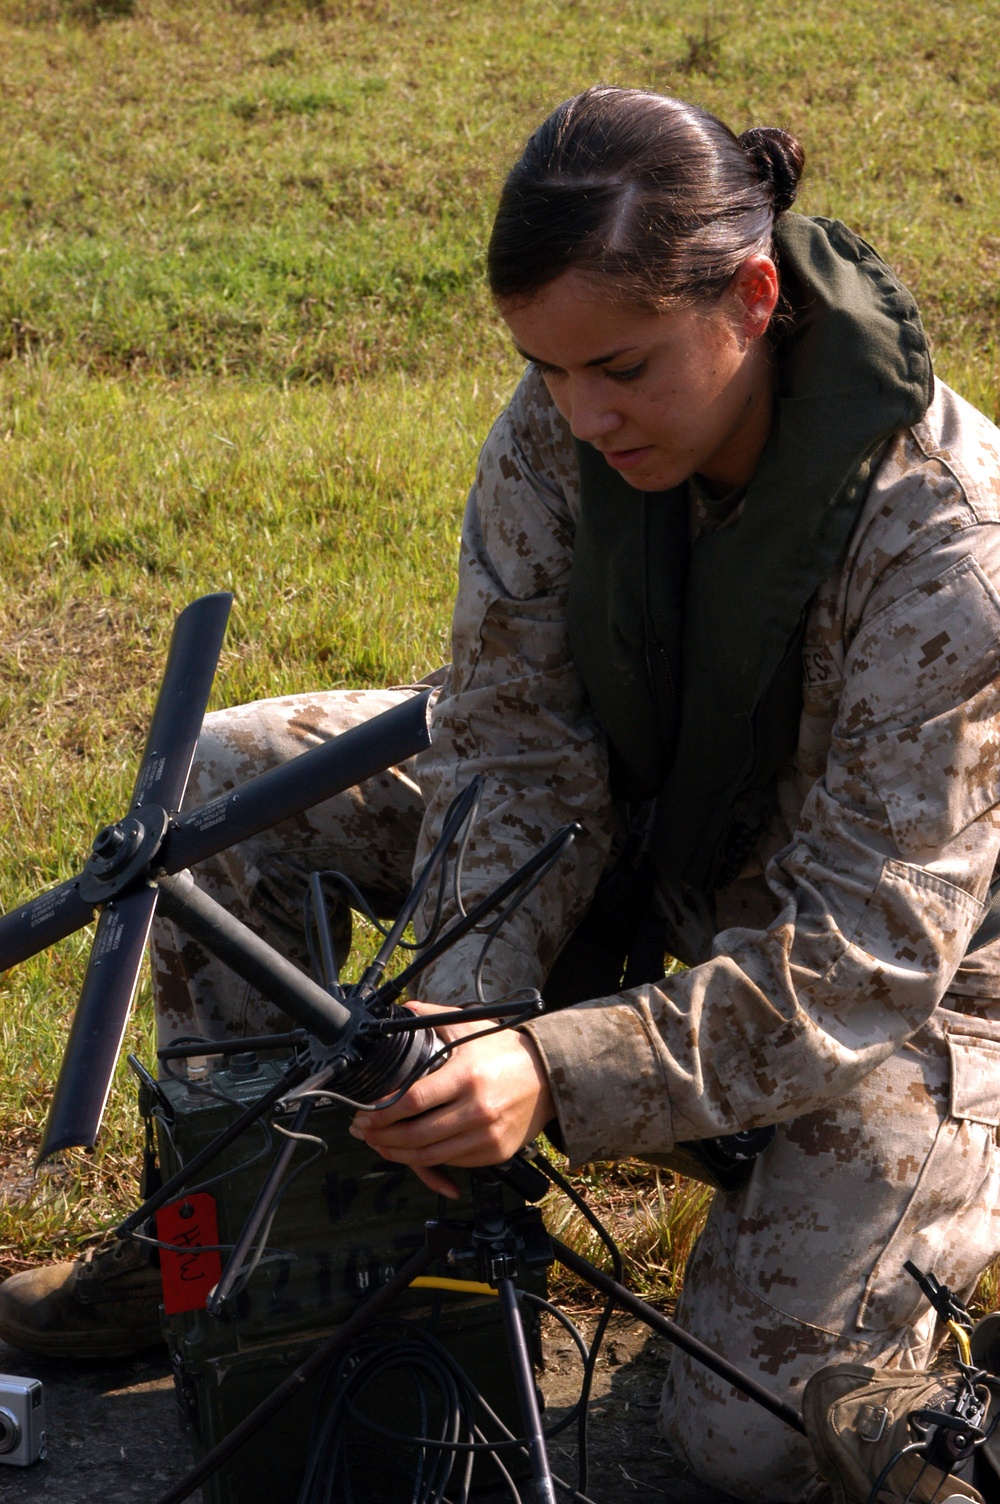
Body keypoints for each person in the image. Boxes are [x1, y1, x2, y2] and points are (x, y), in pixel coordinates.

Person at [2, 86, 999, 1501]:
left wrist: (548, 1068)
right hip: (649, 854)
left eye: (625, 368)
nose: (583, 413)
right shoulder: (565, 430)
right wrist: (465, 1007)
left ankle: (937, 1323)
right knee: (233, 779)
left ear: (755, 295)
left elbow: (863, 963)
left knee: (745, 1441)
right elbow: (516, 744)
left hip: (911, 980)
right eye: (547, 368)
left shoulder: (949, 544)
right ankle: (219, 1234)